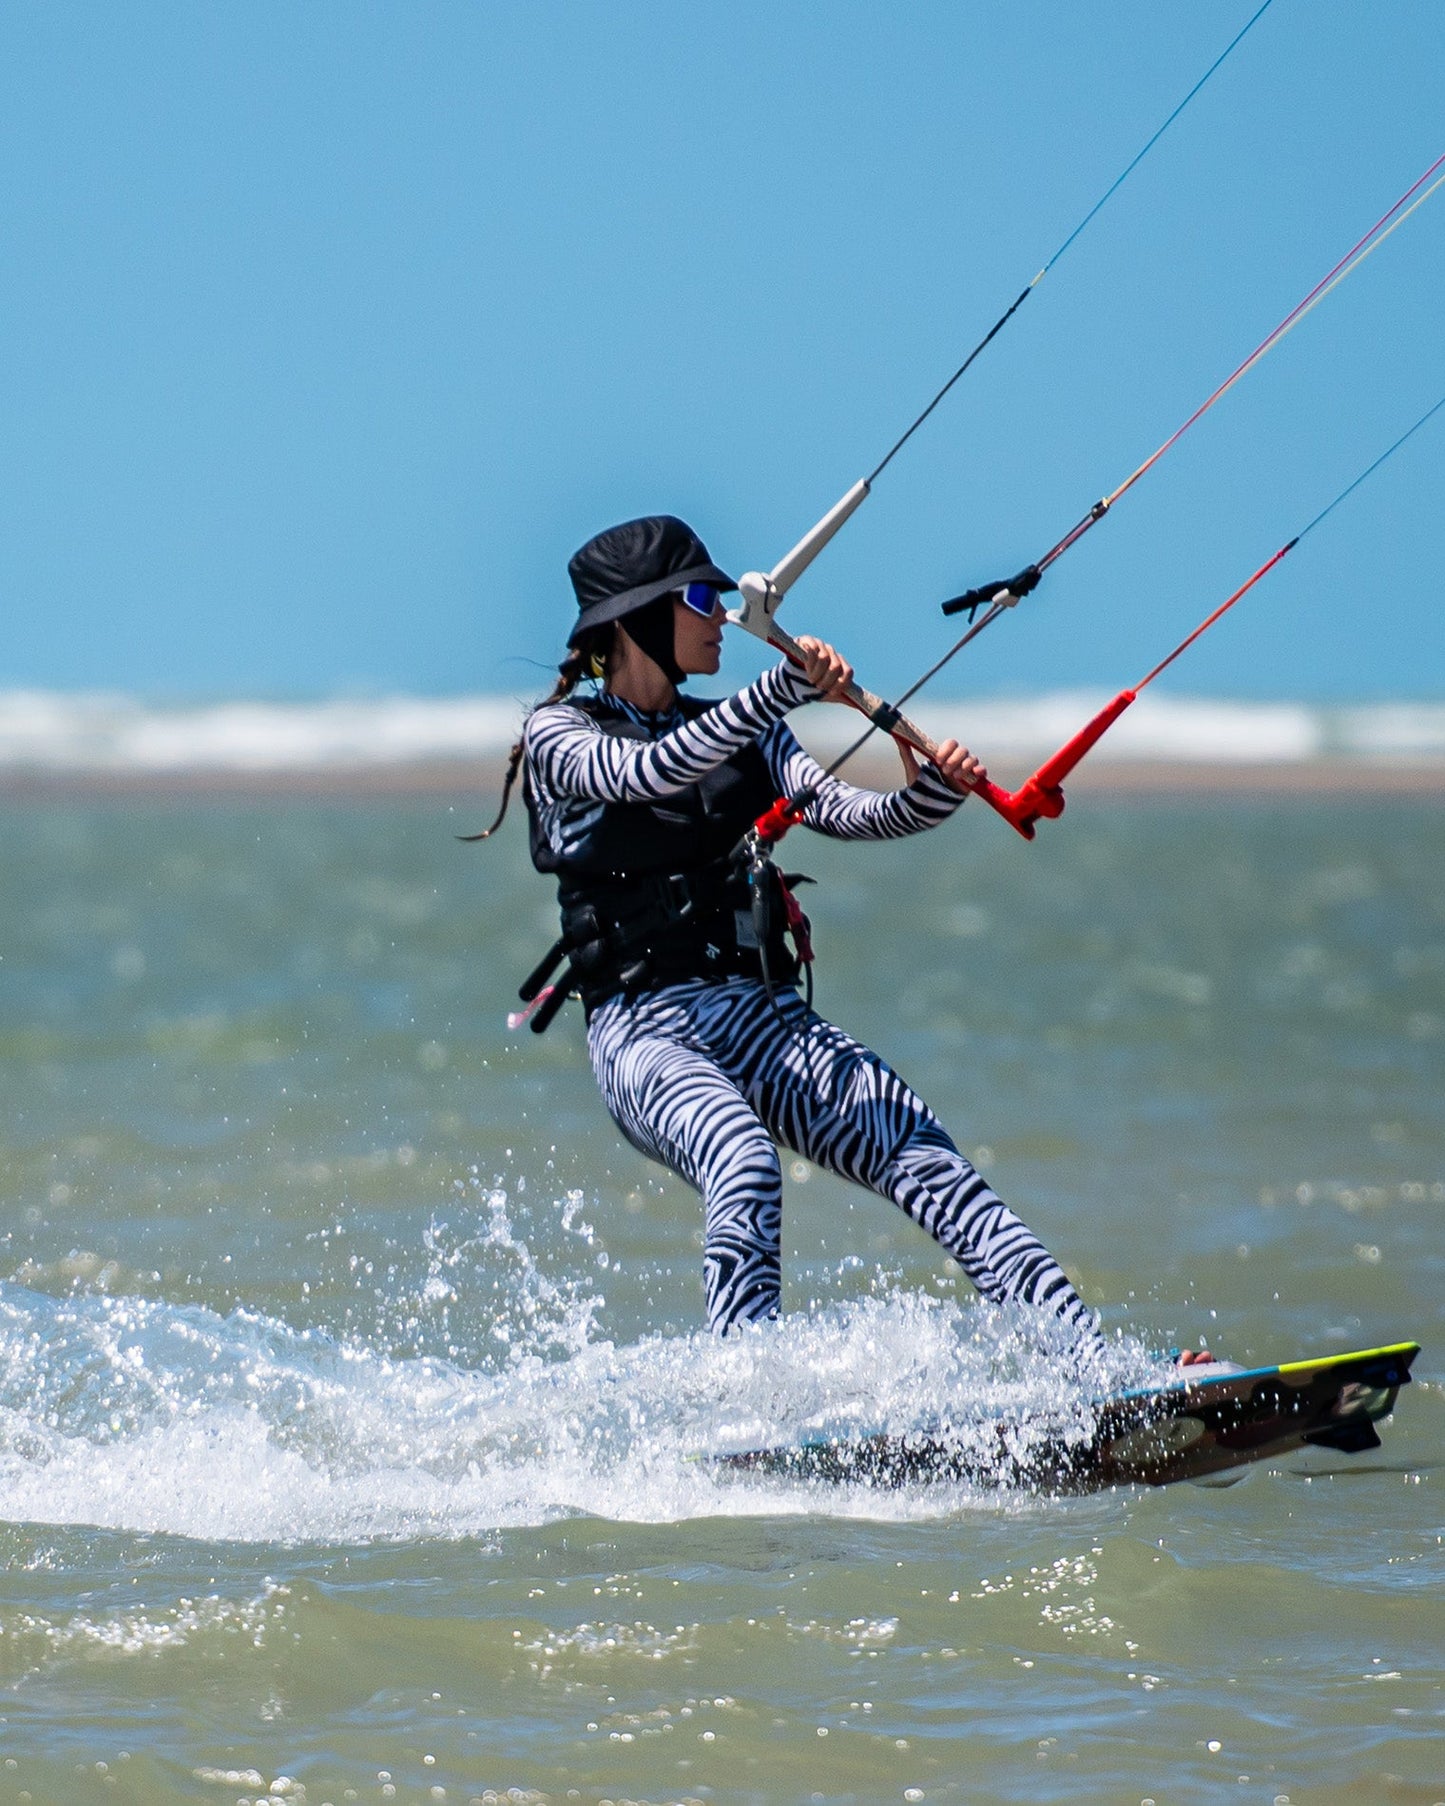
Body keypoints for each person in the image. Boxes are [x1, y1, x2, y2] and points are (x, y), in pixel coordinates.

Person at [483, 515, 1165, 1360]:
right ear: (630, 624)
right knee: (742, 1160)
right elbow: (643, 775)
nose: (723, 618)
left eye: (726, 600)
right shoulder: (561, 739)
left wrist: (932, 793)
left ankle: (1093, 1365)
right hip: (645, 1035)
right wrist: (775, 690)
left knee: (916, 1143)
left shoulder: (750, 730)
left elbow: (848, 813)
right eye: (701, 600)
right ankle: (748, 1397)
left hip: (758, 1017)